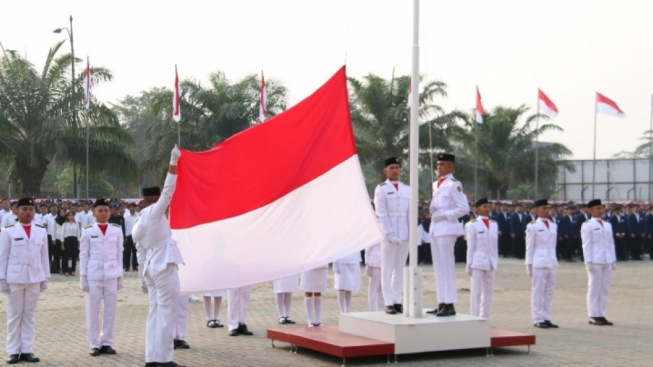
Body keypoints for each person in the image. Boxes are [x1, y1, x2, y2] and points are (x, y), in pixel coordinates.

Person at [132, 146, 185, 367]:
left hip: (151, 269)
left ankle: (152, 358)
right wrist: (173, 162)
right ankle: (164, 360)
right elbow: (169, 190)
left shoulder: (138, 223)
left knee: (155, 313)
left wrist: (143, 280)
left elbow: (140, 255)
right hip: (163, 266)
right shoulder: (154, 214)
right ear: (154, 201)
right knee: (167, 311)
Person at [0, 198, 49, 364]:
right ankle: (13, 351)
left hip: (35, 277)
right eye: (24, 209)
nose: (28, 212)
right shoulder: (8, 231)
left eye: (31, 209)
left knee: (29, 315)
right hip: (15, 277)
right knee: (15, 315)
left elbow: (44, 256)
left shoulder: (40, 231)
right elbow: (2, 257)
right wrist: (2, 279)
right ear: (16, 211)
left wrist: (45, 278)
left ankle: (27, 350)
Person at [79, 198, 124, 356]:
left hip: (112, 273)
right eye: (100, 210)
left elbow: (119, 254)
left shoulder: (117, 230)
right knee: (93, 310)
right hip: (94, 274)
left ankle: (107, 342)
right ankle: (95, 343)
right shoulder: (88, 230)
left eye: (106, 210)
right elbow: (83, 255)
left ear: (110, 212)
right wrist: (83, 278)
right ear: (94, 213)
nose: (104, 213)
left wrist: (120, 277)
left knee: (111, 310)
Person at [427, 153, 469, 317]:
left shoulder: (454, 184)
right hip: (435, 228)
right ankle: (442, 302)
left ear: (451, 166)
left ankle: (450, 304)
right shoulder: (436, 184)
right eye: (438, 164)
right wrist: (434, 210)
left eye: (442, 164)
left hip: (447, 228)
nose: (439, 167)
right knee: (438, 268)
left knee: (447, 266)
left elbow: (463, 208)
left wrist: (444, 214)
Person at [373, 157, 410, 315]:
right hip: (388, 233)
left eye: (397, 167)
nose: (395, 170)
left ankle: (397, 300)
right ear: (385, 171)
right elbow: (381, 213)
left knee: (399, 269)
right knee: (387, 269)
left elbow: (410, 212)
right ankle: (388, 301)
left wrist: (411, 233)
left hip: (404, 232)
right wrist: (388, 233)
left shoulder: (407, 189)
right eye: (392, 167)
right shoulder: (381, 189)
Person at [581, 199, 617, 326]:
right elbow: (586, 245)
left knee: (604, 288)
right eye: (597, 208)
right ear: (591, 210)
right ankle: (593, 315)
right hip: (595, 260)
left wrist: (613, 260)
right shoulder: (587, 225)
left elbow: (611, 244)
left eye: (601, 208)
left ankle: (601, 314)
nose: (600, 210)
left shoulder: (607, 225)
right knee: (594, 288)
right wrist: (588, 262)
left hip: (607, 259)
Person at [525, 199, 559, 329]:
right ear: (537, 210)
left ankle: (546, 317)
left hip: (551, 261)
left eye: (548, 208)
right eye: (543, 208)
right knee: (538, 291)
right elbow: (529, 247)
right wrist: (529, 265)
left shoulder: (553, 225)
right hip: (538, 262)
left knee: (549, 292)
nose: (547, 210)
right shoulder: (532, 226)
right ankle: (538, 318)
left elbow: (553, 245)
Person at [465, 198, 498, 319]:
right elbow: (470, 246)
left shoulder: (494, 224)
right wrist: (469, 264)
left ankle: (485, 317)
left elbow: (495, 247)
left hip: (490, 262)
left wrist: (496, 263)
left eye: (489, 206)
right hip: (477, 261)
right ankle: (474, 317)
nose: (488, 208)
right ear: (477, 209)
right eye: (485, 206)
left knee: (488, 292)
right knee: (476, 292)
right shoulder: (472, 225)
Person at [364, 242, 384, 311]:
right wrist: (367, 263)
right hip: (374, 262)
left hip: (385, 262)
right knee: (373, 289)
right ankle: (372, 309)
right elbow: (368, 248)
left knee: (383, 289)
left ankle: (381, 309)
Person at [60, 211, 80, 276]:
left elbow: (78, 234)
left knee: (74, 256)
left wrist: (79, 243)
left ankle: (73, 270)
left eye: (72, 215)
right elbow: (62, 234)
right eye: (69, 215)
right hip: (67, 240)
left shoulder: (76, 224)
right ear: (67, 216)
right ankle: (66, 270)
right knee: (66, 256)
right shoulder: (65, 224)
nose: (71, 217)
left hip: (74, 240)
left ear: (74, 216)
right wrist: (62, 244)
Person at [123, 203, 139, 272]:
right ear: (129, 208)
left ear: (135, 208)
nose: (132, 209)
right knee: (127, 252)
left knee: (135, 252)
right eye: (131, 207)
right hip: (128, 236)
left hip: (136, 236)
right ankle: (127, 266)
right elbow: (124, 227)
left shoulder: (138, 216)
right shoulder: (126, 217)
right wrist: (125, 237)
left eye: (133, 207)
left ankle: (135, 266)